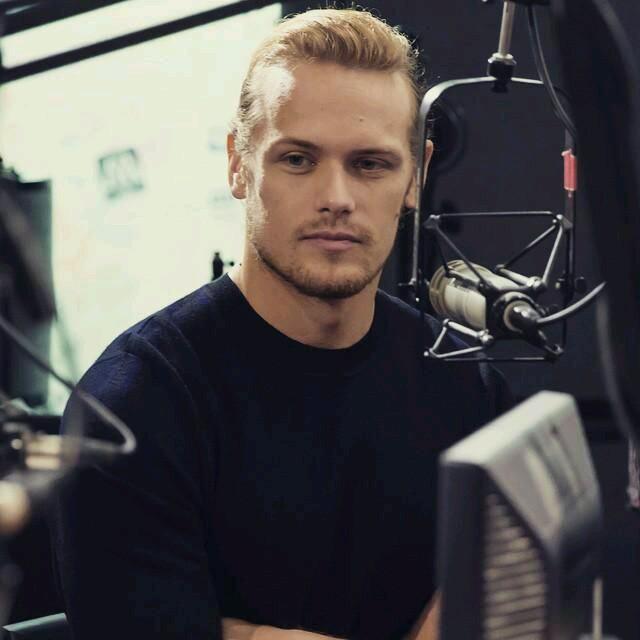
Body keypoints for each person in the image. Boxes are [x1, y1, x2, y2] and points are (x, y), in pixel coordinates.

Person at [50, 7, 510, 640]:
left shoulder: (466, 384)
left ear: (417, 174)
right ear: (238, 163)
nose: (336, 198)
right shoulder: (134, 406)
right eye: (297, 159)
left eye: (370, 164)